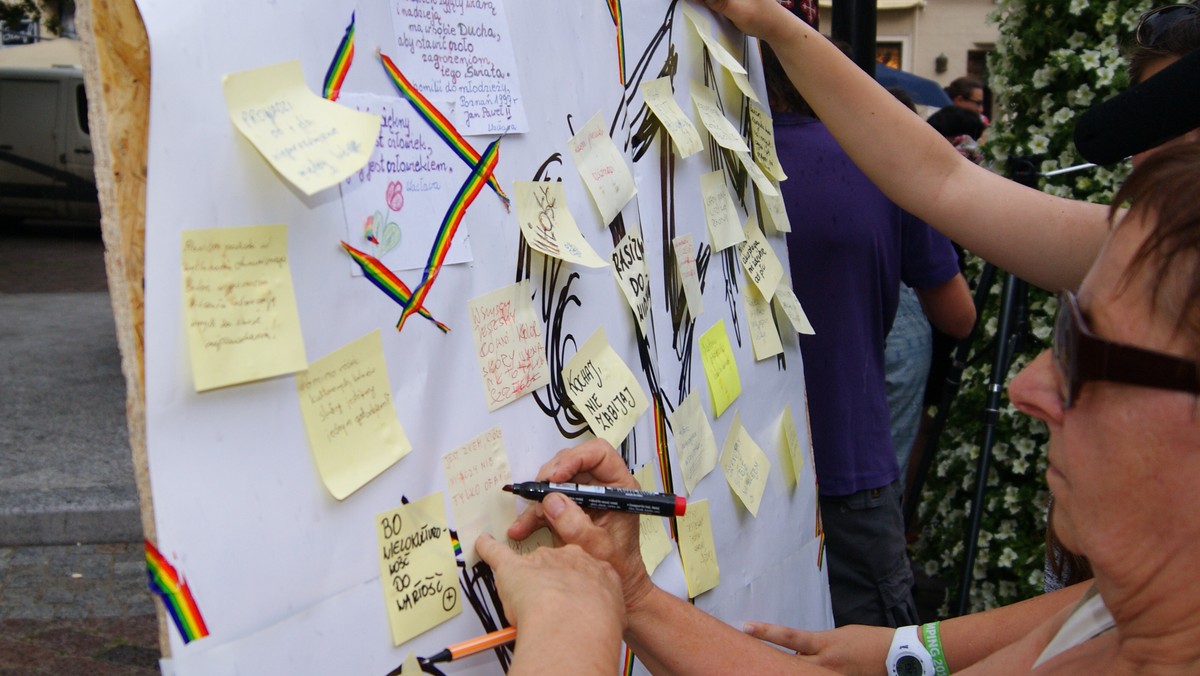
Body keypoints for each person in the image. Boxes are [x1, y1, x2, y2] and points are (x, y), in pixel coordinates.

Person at [480, 140, 1200, 674]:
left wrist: (572, 643)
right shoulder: (1111, 619)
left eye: (1081, 346)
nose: (1028, 388)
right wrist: (629, 592)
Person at [763, 36, 974, 627]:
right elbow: (959, 316)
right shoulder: (882, 154)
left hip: (728, 474)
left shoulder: (706, 157)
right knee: (875, 645)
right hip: (849, 459)